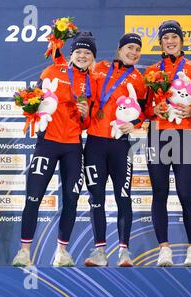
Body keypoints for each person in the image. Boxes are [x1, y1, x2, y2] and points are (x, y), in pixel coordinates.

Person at [12, 31, 97, 267]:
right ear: (71, 54)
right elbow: (33, 102)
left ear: (92, 57)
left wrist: (85, 115)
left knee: (71, 198)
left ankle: (62, 252)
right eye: (78, 51)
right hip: (47, 143)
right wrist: (29, 107)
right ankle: (24, 252)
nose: (82, 56)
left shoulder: (93, 81)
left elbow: (89, 123)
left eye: (87, 53)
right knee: (33, 196)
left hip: (72, 146)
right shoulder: (52, 71)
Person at [144, 20, 191, 267]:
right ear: (160, 42)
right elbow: (141, 109)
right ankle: (164, 249)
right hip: (157, 136)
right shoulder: (151, 70)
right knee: (159, 194)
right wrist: (154, 109)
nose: (170, 41)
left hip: (183, 136)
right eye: (165, 38)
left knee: (185, 194)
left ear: (182, 41)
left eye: (174, 37)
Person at [83, 33, 146, 267]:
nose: (134, 52)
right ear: (119, 49)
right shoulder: (98, 68)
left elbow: (145, 111)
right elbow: (76, 76)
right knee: (96, 198)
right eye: (130, 47)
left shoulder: (139, 78)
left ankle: (124, 252)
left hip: (121, 145)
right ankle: (100, 252)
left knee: (123, 197)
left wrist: (136, 124)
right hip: (95, 144)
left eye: (137, 49)